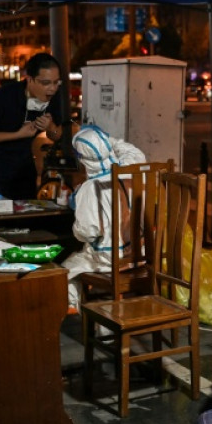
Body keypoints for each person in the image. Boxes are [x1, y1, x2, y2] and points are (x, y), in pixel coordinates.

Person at [61, 125, 145, 311]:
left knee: (64, 272)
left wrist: (77, 213)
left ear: (82, 159)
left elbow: (87, 233)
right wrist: (106, 141)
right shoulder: (133, 167)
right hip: (140, 253)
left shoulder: (90, 188)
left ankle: (97, 316)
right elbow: (131, 150)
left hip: (108, 259)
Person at [0, 53, 63, 199]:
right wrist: (18, 134)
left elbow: (57, 134)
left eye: (56, 82)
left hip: (23, 172)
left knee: (24, 218)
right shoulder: (5, 96)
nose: (52, 88)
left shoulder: (53, 98)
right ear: (30, 79)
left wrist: (50, 127)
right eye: (45, 83)